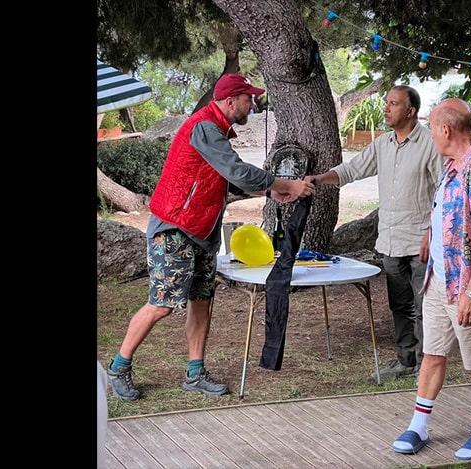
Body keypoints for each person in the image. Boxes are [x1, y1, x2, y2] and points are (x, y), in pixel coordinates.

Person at [107, 73, 316, 400]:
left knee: (202, 301)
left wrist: (270, 193)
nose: (253, 104)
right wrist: (285, 185)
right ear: (231, 101)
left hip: (201, 231)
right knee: (162, 304)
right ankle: (118, 367)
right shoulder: (204, 126)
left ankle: (195, 373)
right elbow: (238, 171)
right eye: (249, 98)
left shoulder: (215, 129)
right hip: (175, 227)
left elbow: (223, 177)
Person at [392, 98, 471, 460]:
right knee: (432, 354)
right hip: (438, 280)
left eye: (431, 129)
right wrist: (431, 233)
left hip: (466, 286)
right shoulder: (452, 165)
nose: (431, 136)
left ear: (445, 130)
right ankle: (419, 425)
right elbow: (448, 210)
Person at [304, 85, 441, 381]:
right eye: (386, 103)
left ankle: (426, 366)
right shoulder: (383, 144)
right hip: (390, 241)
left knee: (424, 306)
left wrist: (434, 233)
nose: (386, 108)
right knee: (400, 305)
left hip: (422, 242)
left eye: (393, 104)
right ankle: (405, 360)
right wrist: (320, 178)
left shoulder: (430, 144)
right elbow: (352, 169)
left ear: (411, 111)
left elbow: (444, 193)